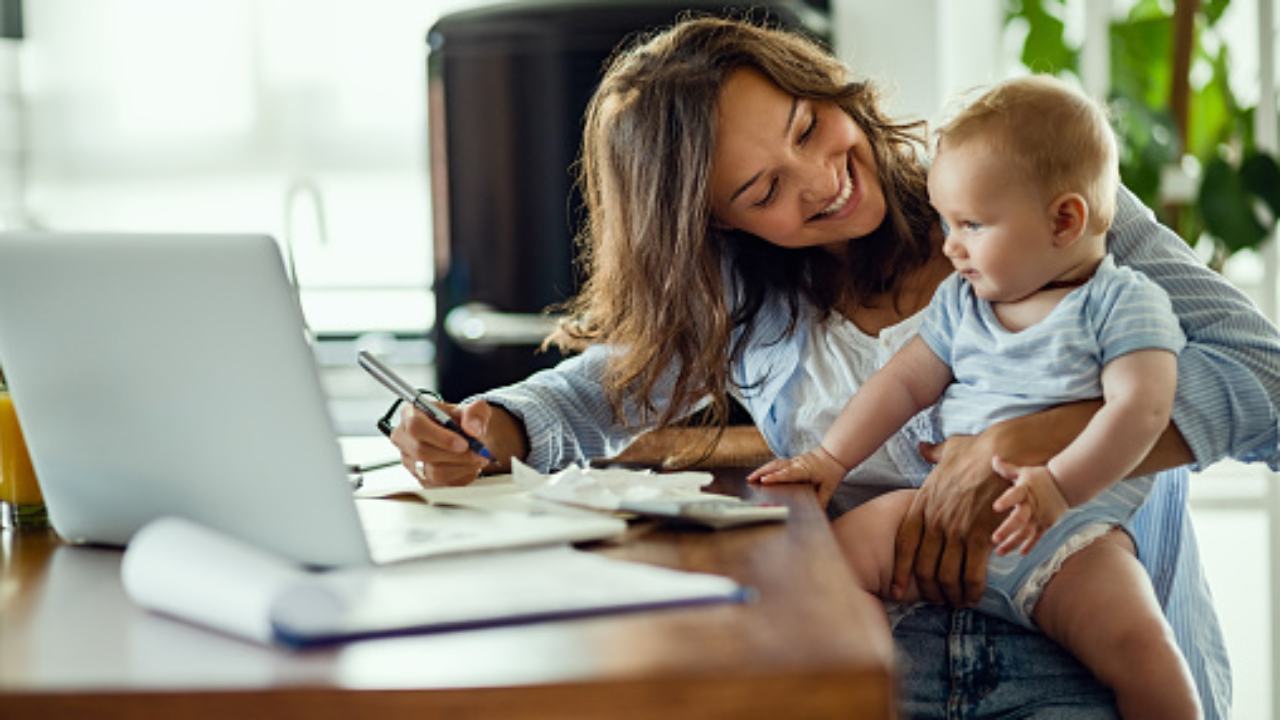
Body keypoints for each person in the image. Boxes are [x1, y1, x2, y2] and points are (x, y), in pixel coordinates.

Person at [389, 16, 1280, 718]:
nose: (820, 180)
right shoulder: (751, 298)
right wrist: (485, 428)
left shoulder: (1028, 196)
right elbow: (600, 390)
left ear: (826, 88)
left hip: (1086, 658)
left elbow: (1267, 383)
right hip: (886, 663)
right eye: (764, 191)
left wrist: (1029, 439)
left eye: (810, 128)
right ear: (720, 226)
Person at [750, 75, 1198, 718]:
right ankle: (873, 694)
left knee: (1144, 649)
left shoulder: (1120, 303)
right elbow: (903, 383)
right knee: (829, 566)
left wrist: (1060, 486)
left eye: (971, 224)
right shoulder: (964, 302)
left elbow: (1143, 411)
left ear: (1063, 220)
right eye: (944, 221)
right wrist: (830, 460)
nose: (950, 244)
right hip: (936, 514)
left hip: (1071, 539)